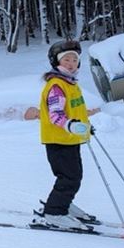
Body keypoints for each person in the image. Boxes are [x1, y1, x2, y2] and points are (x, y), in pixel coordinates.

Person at [34, 40, 95, 231]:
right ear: (57, 62)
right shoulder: (57, 86)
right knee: (69, 177)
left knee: (73, 175)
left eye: (74, 59)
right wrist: (71, 126)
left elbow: (76, 111)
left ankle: (63, 204)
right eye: (66, 59)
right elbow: (55, 115)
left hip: (69, 139)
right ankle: (55, 212)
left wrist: (84, 127)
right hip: (58, 140)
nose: (71, 63)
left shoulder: (70, 84)